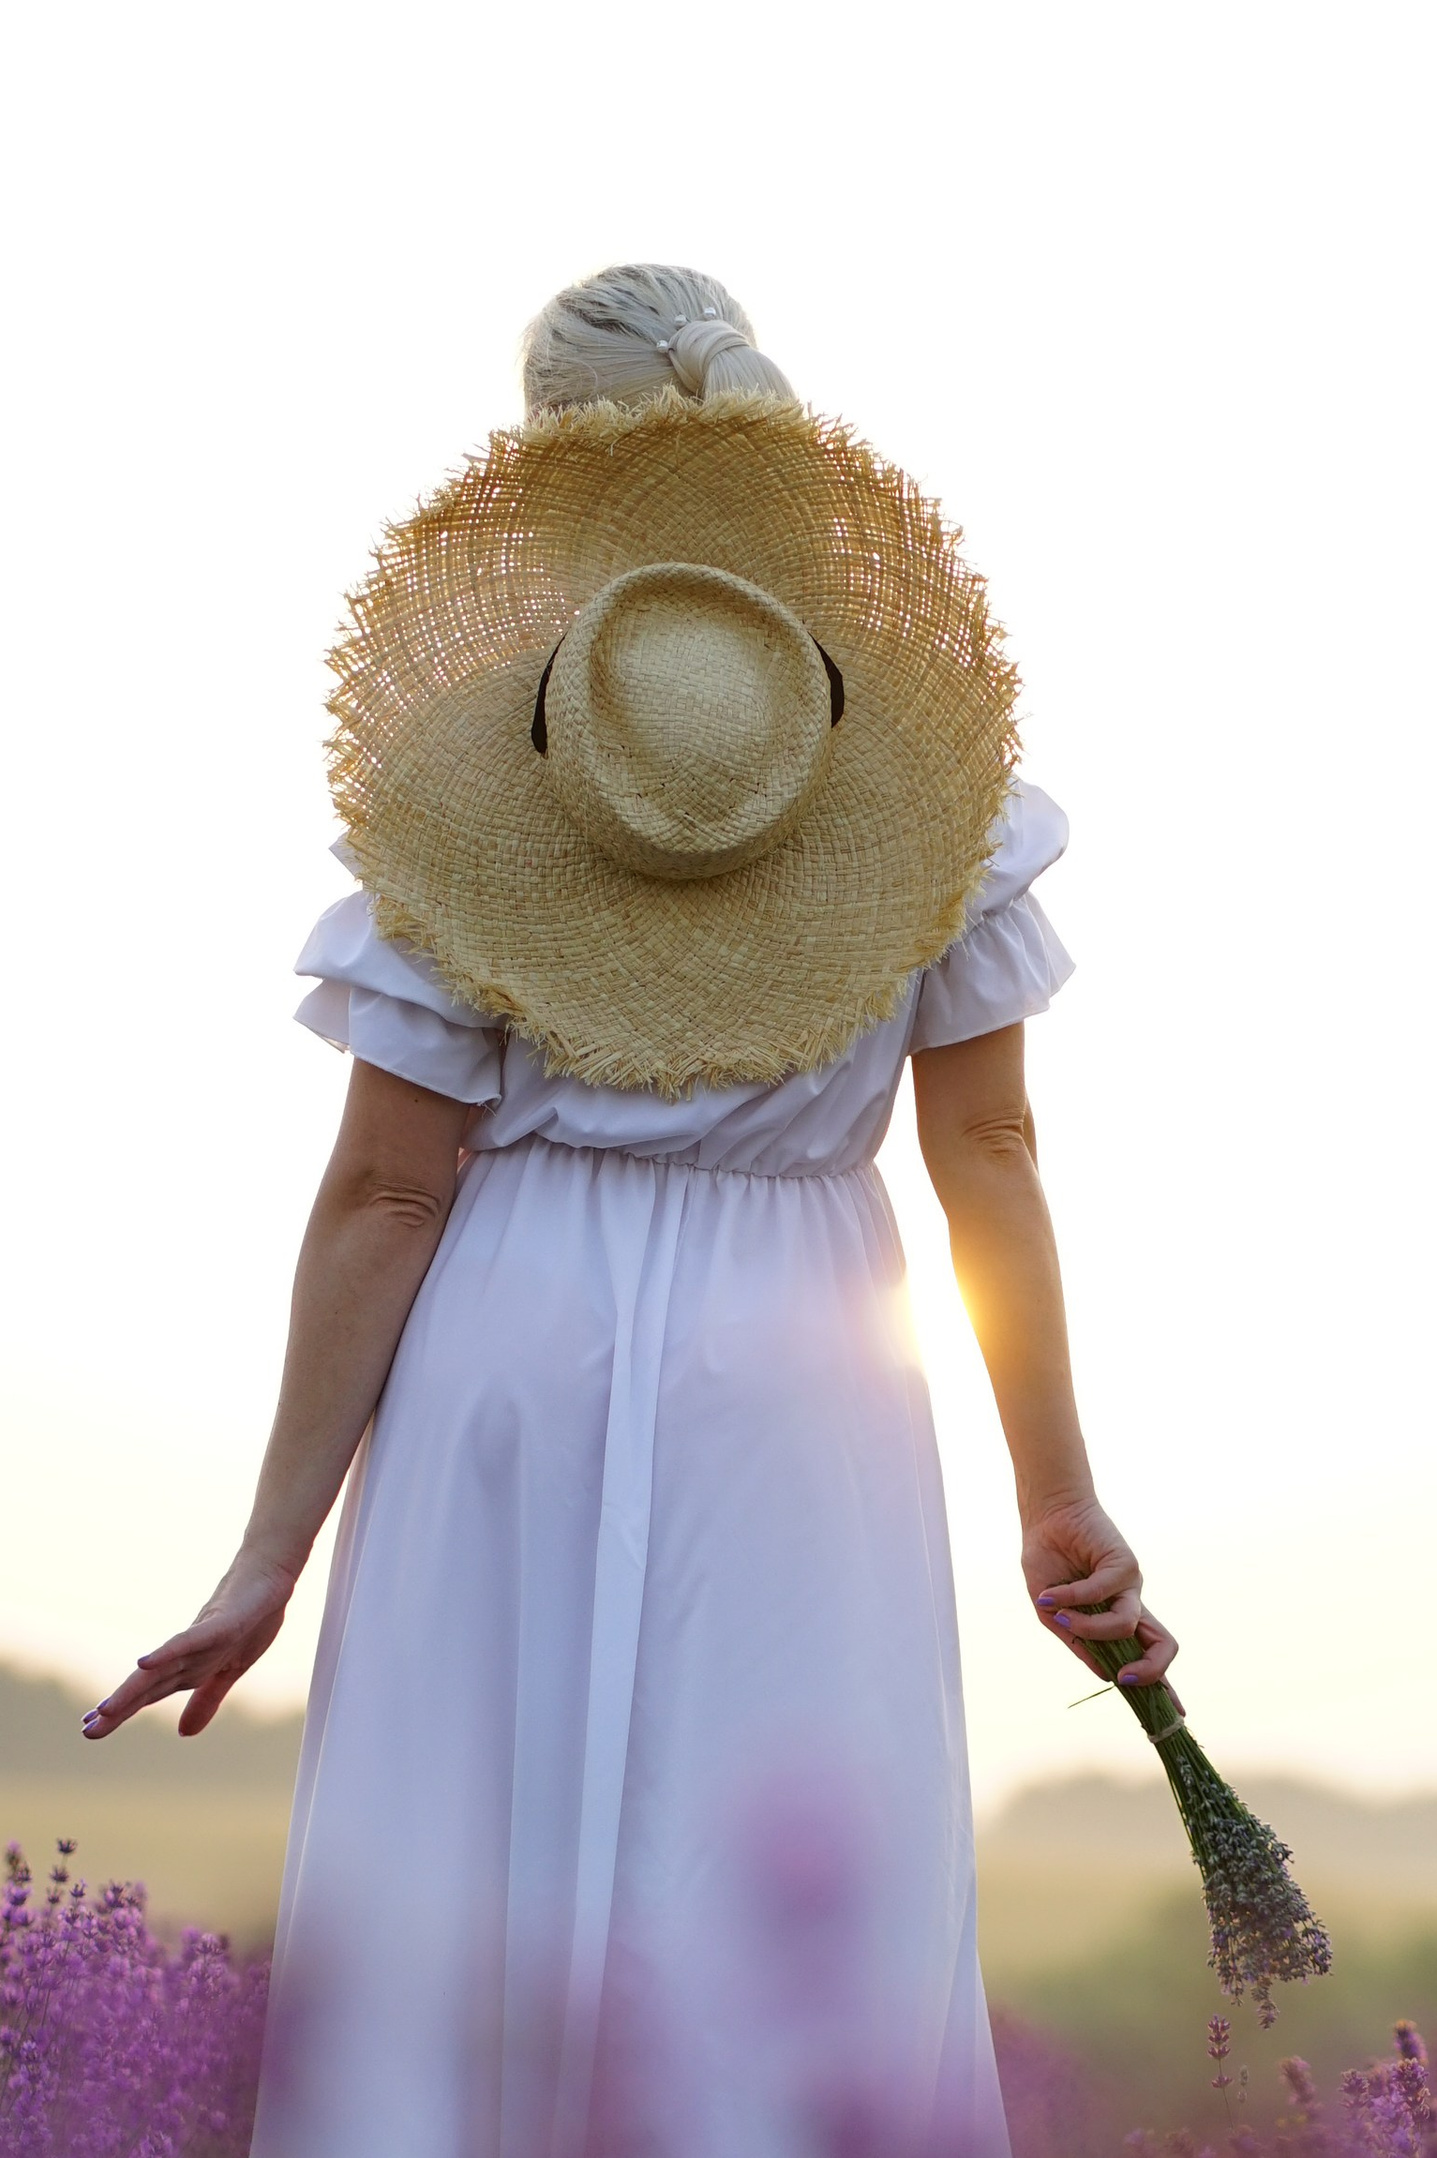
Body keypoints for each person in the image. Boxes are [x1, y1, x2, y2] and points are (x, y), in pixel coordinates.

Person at [84, 264, 1179, 2158]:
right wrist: (1057, 1499)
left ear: (542, 480)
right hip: (807, 1364)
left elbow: (384, 1188)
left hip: (511, 1338)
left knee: (468, 1895)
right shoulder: (927, 779)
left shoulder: (470, 785)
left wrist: (264, 1555)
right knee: (779, 1884)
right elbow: (986, 1158)